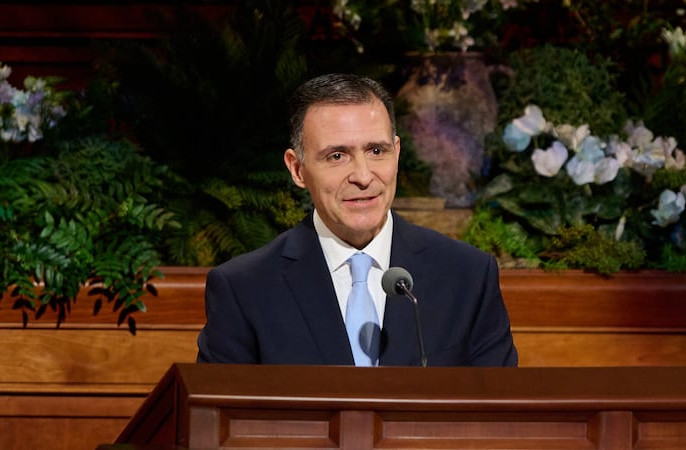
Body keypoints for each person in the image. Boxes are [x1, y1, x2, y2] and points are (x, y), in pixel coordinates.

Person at [196, 73, 518, 366]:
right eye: (337, 156)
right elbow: (219, 424)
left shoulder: (467, 277)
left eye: (376, 151)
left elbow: (498, 415)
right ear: (297, 169)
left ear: (397, 152)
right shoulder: (245, 289)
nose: (363, 176)